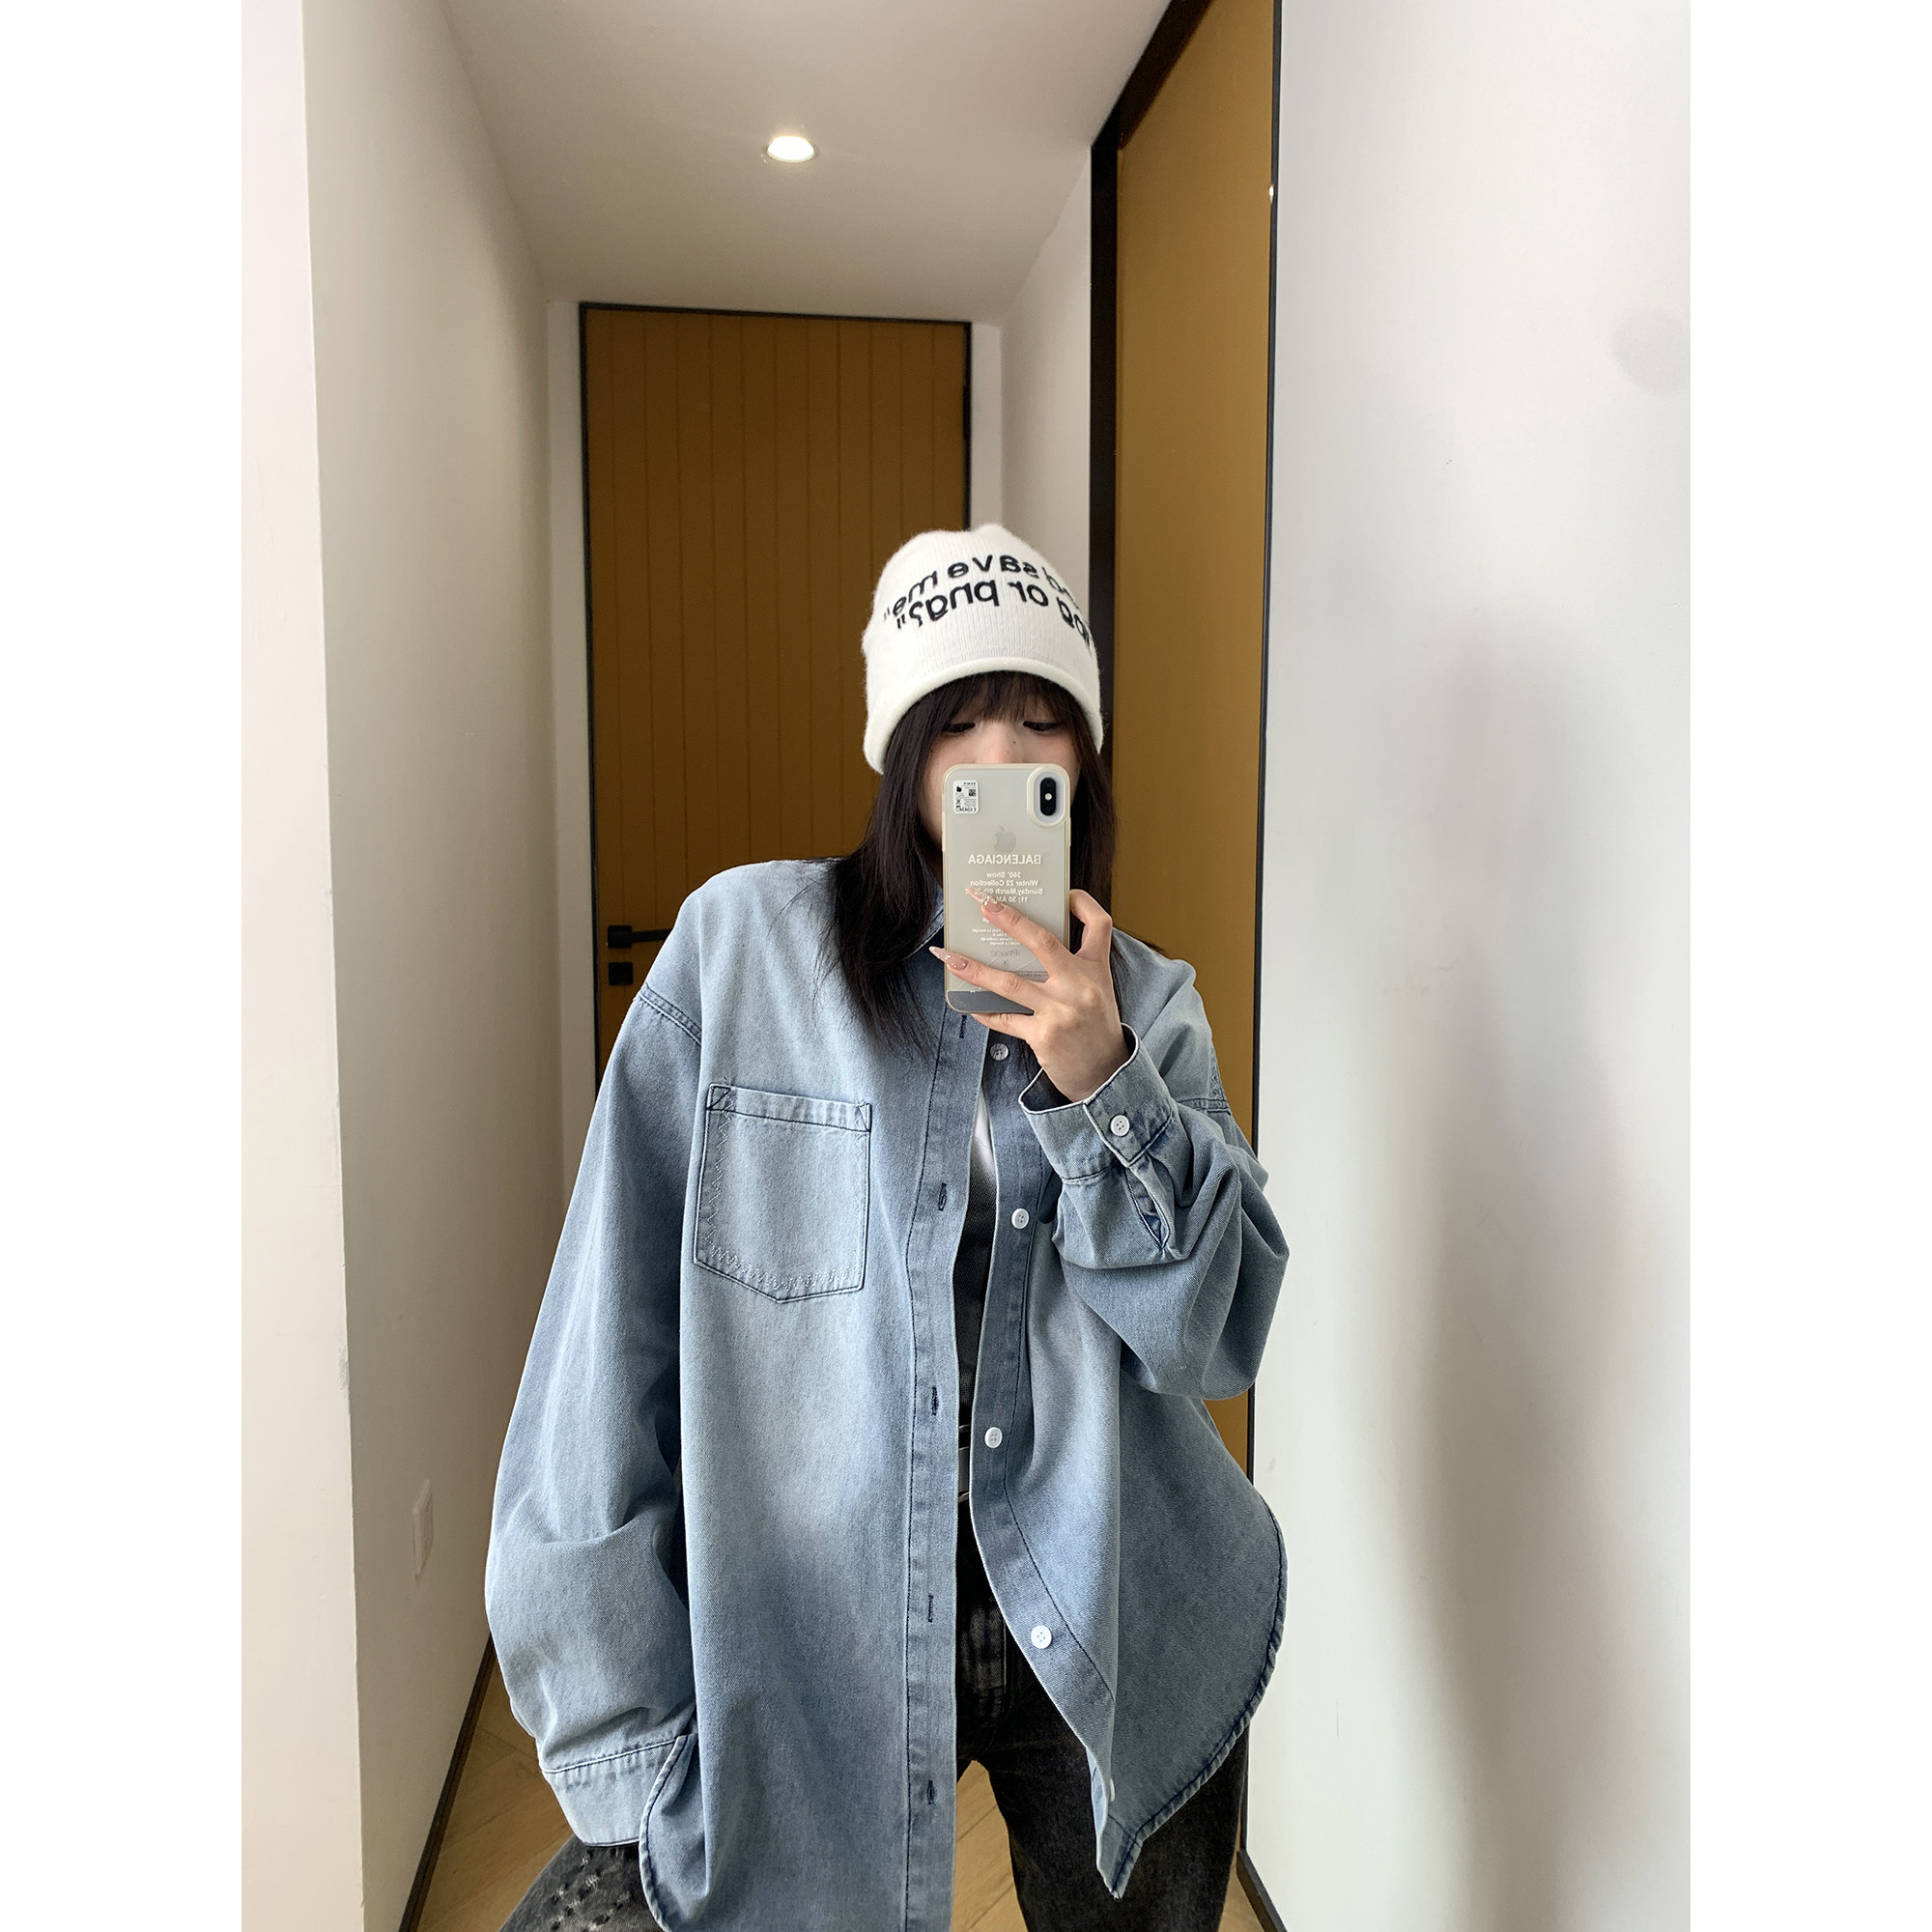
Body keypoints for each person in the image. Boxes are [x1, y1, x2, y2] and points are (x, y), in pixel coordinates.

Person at [485, 525, 1289, 1932]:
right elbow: (608, 1344)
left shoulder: (1146, 1003)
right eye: (958, 722)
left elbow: (1212, 1345)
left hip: (1111, 1610)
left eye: (1041, 720)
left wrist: (1102, 1083)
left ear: (1084, 759)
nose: (1002, 758)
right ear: (900, 750)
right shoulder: (742, 953)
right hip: (815, 1623)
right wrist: (624, 1734)